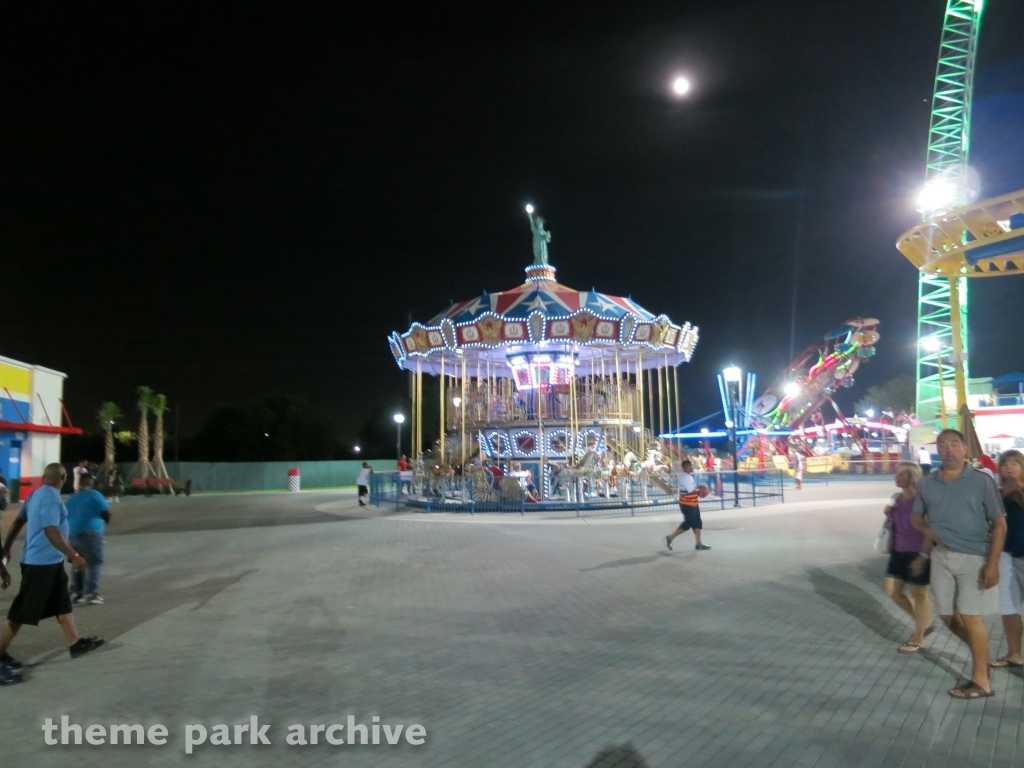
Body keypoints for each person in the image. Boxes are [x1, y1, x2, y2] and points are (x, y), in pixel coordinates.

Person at [911, 429, 1006, 699]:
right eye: (942, 445)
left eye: (954, 444)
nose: (948, 449)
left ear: (965, 449)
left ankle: (981, 681)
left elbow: (999, 524)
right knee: (945, 615)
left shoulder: (981, 481)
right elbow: (917, 518)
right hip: (941, 557)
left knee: (970, 617)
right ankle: (981, 657)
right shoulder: (927, 483)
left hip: (974, 556)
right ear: (936, 450)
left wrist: (993, 564)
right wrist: (928, 533)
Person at [0, 463, 105, 667]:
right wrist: (74, 555)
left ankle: (75, 643)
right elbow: (51, 531)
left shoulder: (35, 494)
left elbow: (18, 521)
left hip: (51, 562)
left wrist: (6, 548)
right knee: (21, 612)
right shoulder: (50, 497)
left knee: (61, 603)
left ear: (43, 477)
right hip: (40, 564)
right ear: (63, 478)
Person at [882, 462, 932, 653]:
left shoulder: (922, 501)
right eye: (897, 473)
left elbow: (929, 528)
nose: (897, 477)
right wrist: (888, 515)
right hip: (898, 550)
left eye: (902, 474)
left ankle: (919, 637)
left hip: (918, 552)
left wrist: (924, 555)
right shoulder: (896, 499)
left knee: (919, 594)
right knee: (892, 591)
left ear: (912, 477)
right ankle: (923, 623)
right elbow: (894, 525)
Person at [992, 449, 1024, 669]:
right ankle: (1014, 654)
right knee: (1008, 606)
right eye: (1004, 464)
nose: (1009, 467)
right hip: (1003, 555)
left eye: (1014, 463)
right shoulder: (996, 493)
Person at [66, 474, 111, 605]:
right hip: (90, 534)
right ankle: (91, 593)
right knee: (94, 562)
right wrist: (105, 520)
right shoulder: (95, 494)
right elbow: (106, 513)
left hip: (72, 534)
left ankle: (77, 593)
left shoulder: (72, 497)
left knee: (78, 563)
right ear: (90, 482)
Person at [666, 459, 710, 551]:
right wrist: (700, 490)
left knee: (697, 523)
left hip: (691, 503)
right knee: (688, 523)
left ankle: (698, 544)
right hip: (688, 504)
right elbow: (690, 491)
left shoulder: (686, 477)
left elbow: (690, 489)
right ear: (686, 467)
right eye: (690, 466)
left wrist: (698, 489)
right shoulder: (686, 478)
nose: (692, 467)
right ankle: (670, 537)